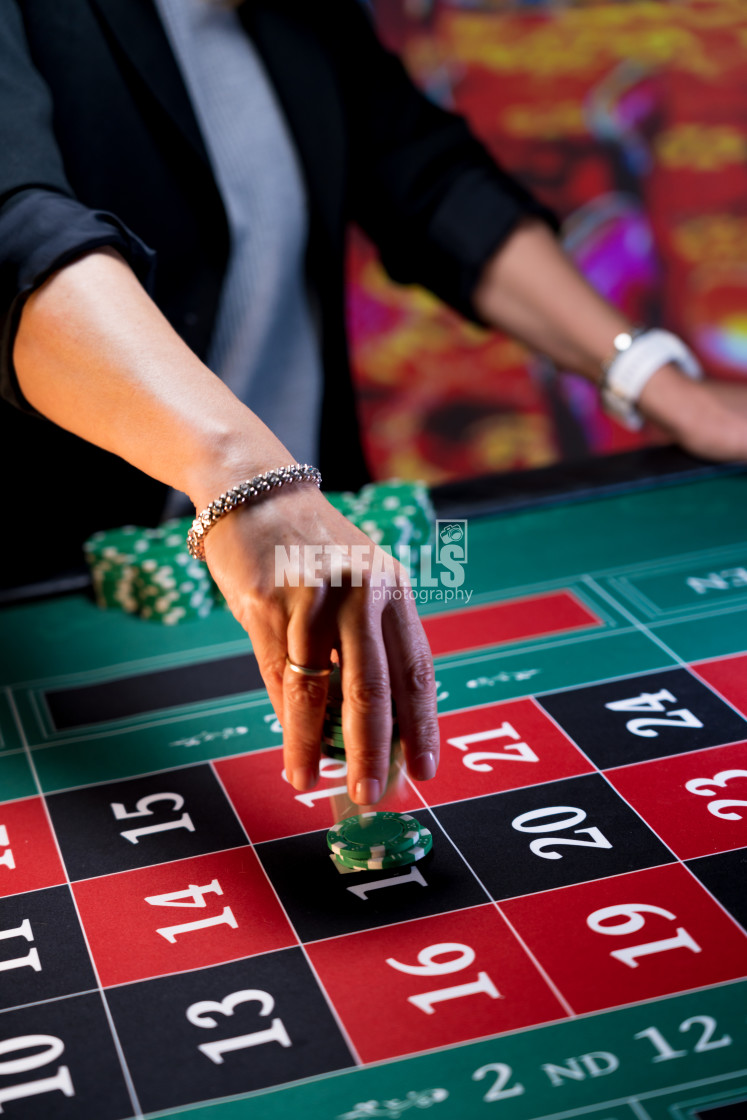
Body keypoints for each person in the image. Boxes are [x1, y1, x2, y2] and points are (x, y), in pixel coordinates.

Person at [2, 0, 746, 808]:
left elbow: (425, 177)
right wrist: (251, 483)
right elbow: (16, 229)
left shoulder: (297, 14)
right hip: (54, 593)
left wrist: (652, 379)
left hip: (318, 538)